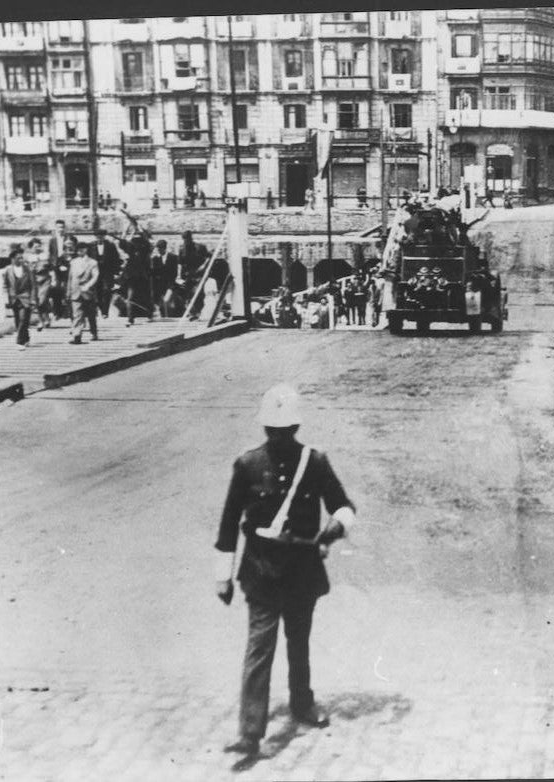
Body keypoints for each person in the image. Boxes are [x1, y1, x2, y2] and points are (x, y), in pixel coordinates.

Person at [214, 384, 356, 757]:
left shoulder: (315, 462)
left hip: (302, 569)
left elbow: (343, 505)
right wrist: (223, 574)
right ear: (264, 429)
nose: (277, 437)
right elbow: (229, 521)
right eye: (271, 430)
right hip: (260, 570)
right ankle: (250, 732)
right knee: (259, 648)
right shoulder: (247, 464)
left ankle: (302, 703)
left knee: (298, 640)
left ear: (294, 428)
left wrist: (334, 529)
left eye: (283, 430)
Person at [3, 245, 38, 350]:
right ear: (13, 259)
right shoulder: (8, 270)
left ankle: (20, 342)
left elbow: (33, 286)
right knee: (18, 320)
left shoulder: (28, 269)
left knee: (23, 319)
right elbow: (5, 285)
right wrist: (6, 298)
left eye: (22, 257)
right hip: (13, 298)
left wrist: (33, 299)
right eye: (18, 258)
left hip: (26, 298)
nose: (21, 260)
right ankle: (26, 338)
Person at [67, 240, 100, 344]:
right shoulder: (73, 262)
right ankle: (77, 335)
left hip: (88, 292)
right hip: (75, 290)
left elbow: (95, 276)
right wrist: (68, 291)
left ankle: (93, 332)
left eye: (82, 249)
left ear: (86, 250)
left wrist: (88, 285)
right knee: (77, 314)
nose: (79, 252)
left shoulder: (93, 262)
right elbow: (70, 278)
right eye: (78, 250)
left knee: (91, 314)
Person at [118, 231, 154, 325]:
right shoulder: (137, 247)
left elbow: (122, 241)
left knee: (141, 297)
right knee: (133, 297)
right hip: (135, 277)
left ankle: (146, 315)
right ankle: (131, 318)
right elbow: (122, 242)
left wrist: (128, 230)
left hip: (140, 276)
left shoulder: (141, 248)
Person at [88, 228, 122, 318]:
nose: (100, 239)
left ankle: (105, 311)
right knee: (98, 292)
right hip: (95, 272)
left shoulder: (110, 245)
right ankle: (101, 308)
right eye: (98, 237)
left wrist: (116, 272)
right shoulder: (91, 246)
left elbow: (116, 259)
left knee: (107, 290)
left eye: (101, 237)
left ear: (104, 237)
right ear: (95, 237)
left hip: (107, 272)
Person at [27, 237, 53, 330]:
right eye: (35, 247)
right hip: (34, 281)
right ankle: (42, 321)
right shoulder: (29, 257)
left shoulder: (45, 255)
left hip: (45, 279)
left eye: (39, 246)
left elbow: (48, 267)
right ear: (31, 248)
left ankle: (45, 319)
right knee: (37, 301)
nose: (37, 248)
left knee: (42, 300)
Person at [152, 239, 181, 317]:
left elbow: (174, 272)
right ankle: (163, 317)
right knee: (160, 304)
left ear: (164, 248)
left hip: (169, 284)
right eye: (157, 249)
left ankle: (168, 317)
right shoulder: (155, 259)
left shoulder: (173, 257)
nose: (159, 251)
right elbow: (154, 274)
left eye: (160, 249)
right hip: (159, 286)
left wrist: (170, 285)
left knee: (167, 301)